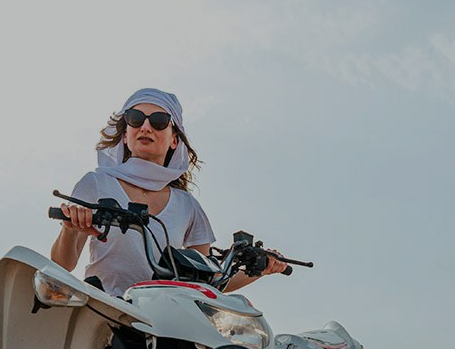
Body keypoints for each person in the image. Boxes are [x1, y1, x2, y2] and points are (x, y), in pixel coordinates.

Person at [51, 87, 286, 295]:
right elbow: (63, 264)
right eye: (135, 118)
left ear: (174, 139)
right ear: (125, 135)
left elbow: (210, 280)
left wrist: (261, 269)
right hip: (104, 308)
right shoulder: (97, 183)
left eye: (159, 121)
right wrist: (69, 230)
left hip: (163, 319)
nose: (145, 127)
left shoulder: (187, 205)